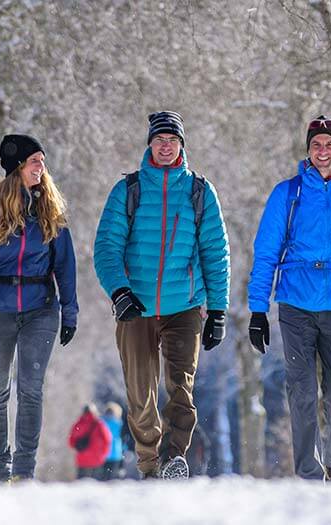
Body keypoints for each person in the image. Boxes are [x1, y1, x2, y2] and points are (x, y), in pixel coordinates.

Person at [245, 115, 331, 483]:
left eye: (329, 145)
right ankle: (309, 474)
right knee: (302, 390)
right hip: (295, 304)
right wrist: (258, 310)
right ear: (307, 150)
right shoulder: (287, 194)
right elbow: (265, 253)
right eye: (316, 145)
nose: (322, 151)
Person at [93, 111, 231, 480]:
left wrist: (217, 309)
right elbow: (107, 245)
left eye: (172, 140)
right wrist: (119, 291)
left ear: (182, 146)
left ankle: (173, 459)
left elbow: (215, 251)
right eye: (159, 140)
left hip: (184, 307)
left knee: (181, 389)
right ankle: (150, 464)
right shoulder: (129, 190)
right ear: (150, 145)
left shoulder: (200, 192)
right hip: (134, 307)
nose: (166, 146)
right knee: (140, 397)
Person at [0, 134, 79, 483]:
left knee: (31, 389)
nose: (41, 167)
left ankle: (23, 472)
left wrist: (69, 313)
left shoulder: (50, 210)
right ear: (17, 168)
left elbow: (65, 267)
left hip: (40, 310)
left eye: (42, 160)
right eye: (34, 161)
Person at [69, 404, 113, 481]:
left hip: (82, 460)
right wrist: (104, 454)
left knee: (80, 486)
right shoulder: (100, 424)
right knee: (97, 487)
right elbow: (108, 440)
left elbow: (71, 442)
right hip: (97, 460)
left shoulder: (78, 424)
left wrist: (80, 446)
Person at [100, 402, 126, 479]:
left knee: (103, 477)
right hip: (116, 453)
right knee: (113, 479)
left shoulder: (101, 423)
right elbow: (123, 438)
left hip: (103, 453)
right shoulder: (119, 423)